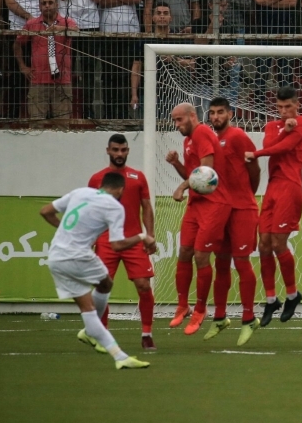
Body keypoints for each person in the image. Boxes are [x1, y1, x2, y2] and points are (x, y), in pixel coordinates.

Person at [40, 173, 155, 370]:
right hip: (78, 257)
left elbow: (45, 211)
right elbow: (118, 245)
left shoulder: (80, 192)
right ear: (120, 190)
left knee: (101, 290)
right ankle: (119, 355)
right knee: (103, 289)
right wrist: (142, 236)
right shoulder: (114, 206)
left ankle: (91, 333)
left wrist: (65, 231)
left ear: (101, 185)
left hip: (56, 258)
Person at [245, 87, 302, 326]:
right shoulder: (271, 126)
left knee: (278, 243)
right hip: (272, 188)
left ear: (297, 106)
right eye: (280, 107)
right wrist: (284, 130)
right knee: (263, 244)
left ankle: (292, 295)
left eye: (288, 107)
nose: (283, 112)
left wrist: (256, 153)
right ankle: (271, 299)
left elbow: (283, 148)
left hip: (290, 187)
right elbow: (273, 142)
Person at [87, 135, 156, 351]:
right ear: (108, 150)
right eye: (115, 150)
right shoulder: (96, 179)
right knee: (102, 286)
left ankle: (147, 334)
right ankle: (102, 334)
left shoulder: (138, 177)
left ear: (127, 151)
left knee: (144, 285)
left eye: (123, 150)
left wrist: (150, 234)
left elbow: (146, 207)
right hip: (106, 240)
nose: (119, 154)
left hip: (133, 239)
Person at [203, 97, 262, 346]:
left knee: (241, 262)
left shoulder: (237, 136)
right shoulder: (210, 140)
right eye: (212, 113)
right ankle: (219, 317)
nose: (215, 117)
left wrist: (247, 196)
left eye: (220, 112)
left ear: (230, 113)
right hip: (221, 209)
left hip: (242, 209)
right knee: (221, 263)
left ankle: (249, 318)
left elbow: (255, 168)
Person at [164, 102, 227, 335]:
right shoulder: (188, 140)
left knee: (201, 256)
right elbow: (192, 174)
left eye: (179, 119)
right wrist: (176, 164)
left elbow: (206, 174)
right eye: (174, 120)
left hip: (213, 204)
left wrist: (181, 188)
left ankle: (201, 308)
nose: (176, 124)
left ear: (192, 116)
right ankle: (183, 305)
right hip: (196, 204)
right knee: (184, 252)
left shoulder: (202, 133)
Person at [12, 0, 77, 125]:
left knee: (63, 126)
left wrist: (60, 29)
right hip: (38, 80)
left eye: (50, 3)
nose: (47, 6)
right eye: (44, 3)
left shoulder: (67, 22)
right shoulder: (32, 24)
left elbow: (77, 31)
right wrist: (22, 66)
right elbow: (17, 44)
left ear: (57, 5)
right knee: (36, 125)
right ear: (39, 7)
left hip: (62, 81)